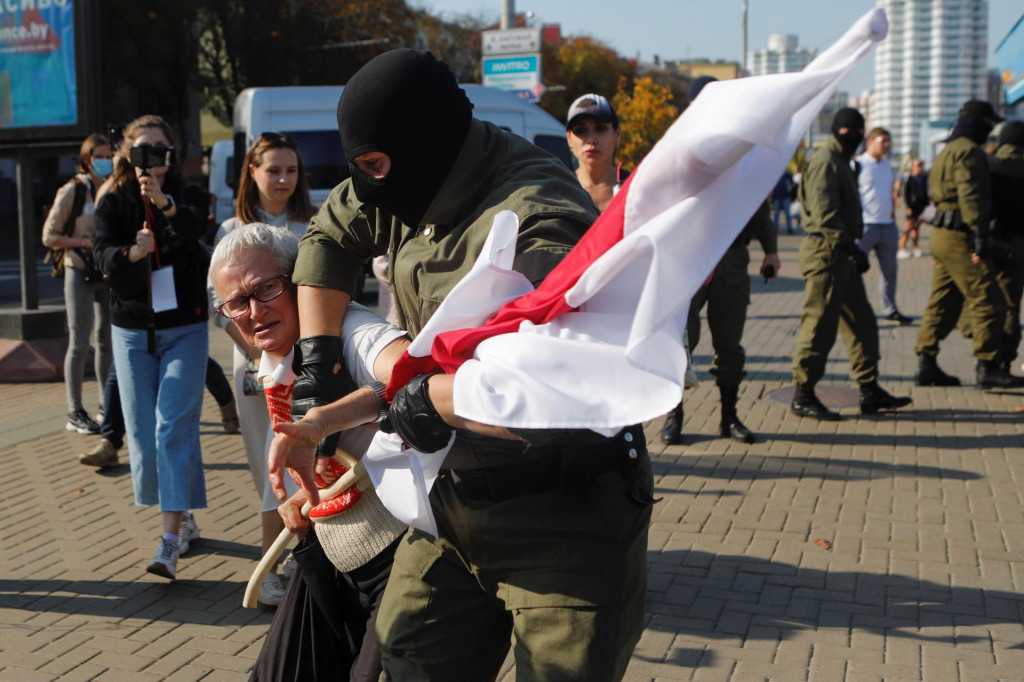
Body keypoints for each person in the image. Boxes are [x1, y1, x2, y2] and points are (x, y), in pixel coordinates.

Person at [277, 49, 653, 681]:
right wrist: (320, 365)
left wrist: (431, 400)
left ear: (421, 145)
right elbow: (328, 235)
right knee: (407, 663)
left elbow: (562, 382)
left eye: (373, 166)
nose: (366, 185)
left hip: (562, 517)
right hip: (452, 505)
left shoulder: (540, 215)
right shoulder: (405, 173)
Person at [209, 223, 408, 681]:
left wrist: (327, 420)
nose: (254, 311)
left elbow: (414, 374)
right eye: (237, 303)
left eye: (267, 288)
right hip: (333, 545)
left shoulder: (351, 329)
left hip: (404, 548)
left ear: (299, 280)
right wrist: (306, 492)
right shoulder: (272, 354)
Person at [92, 114, 208, 580]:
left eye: (159, 148)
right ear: (126, 153)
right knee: (142, 436)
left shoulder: (188, 193)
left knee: (172, 427)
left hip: (185, 329)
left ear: (171, 152)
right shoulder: (113, 200)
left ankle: (168, 540)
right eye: (141, 148)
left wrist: (168, 207)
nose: (151, 157)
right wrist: (132, 253)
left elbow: (200, 232)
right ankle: (185, 515)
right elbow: (101, 257)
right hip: (132, 330)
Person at [211, 132, 316, 606]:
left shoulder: (312, 223)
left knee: (312, 464)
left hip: (310, 361)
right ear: (251, 173)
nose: (282, 179)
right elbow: (221, 308)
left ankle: (303, 558)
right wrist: (261, 358)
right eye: (273, 169)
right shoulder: (234, 228)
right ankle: (267, 570)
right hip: (258, 368)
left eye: (290, 170)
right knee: (270, 471)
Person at [660, 74, 781, 446]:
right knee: (681, 342)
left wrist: (771, 250)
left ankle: (729, 417)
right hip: (689, 259)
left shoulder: (741, 152)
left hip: (730, 259)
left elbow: (758, 204)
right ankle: (673, 415)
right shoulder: (675, 149)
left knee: (730, 346)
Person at [790, 107, 911, 420]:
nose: (859, 137)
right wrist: (850, 246)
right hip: (826, 253)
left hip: (841, 253)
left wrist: (851, 249)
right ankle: (803, 394)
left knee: (862, 324)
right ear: (844, 131)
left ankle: (869, 389)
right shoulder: (826, 161)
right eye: (856, 131)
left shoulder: (842, 161)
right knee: (819, 326)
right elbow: (823, 213)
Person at [914, 100, 1024, 389]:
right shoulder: (969, 152)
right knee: (989, 299)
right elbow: (971, 195)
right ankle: (987, 368)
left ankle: (926, 363)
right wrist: (978, 236)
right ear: (979, 123)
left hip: (941, 234)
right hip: (960, 235)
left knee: (943, 301)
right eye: (989, 124)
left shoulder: (948, 150)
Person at [42, 133, 114, 436]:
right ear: (87, 160)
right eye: (99, 156)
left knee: (107, 341)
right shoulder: (72, 191)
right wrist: (82, 242)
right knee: (79, 341)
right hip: (79, 269)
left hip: (106, 272)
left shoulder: (112, 188)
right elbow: (49, 236)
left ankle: (105, 404)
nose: (106, 160)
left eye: (109, 155)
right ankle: (75, 411)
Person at [855, 127, 912, 324]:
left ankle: (890, 309)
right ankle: (851, 311)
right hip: (865, 226)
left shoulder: (888, 165)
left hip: (887, 226)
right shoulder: (858, 165)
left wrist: (893, 218)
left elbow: (892, 194)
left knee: (890, 271)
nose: (887, 145)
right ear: (870, 141)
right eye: (883, 140)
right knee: (854, 270)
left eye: (889, 141)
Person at [987, 120, 1024, 374]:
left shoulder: (987, 166)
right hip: (1017, 244)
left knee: (985, 300)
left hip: (989, 242)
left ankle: (985, 357)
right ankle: (1004, 361)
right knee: (1011, 304)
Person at [565, 93, 628, 212]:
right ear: (569, 138)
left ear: (617, 134)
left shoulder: (634, 189)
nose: (591, 139)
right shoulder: (560, 193)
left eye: (600, 128)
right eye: (580, 130)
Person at [899, 158, 928, 259]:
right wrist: (908, 207)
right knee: (908, 227)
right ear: (913, 167)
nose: (919, 167)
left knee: (916, 228)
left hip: (921, 207)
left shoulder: (924, 178)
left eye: (920, 165)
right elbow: (906, 194)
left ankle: (915, 248)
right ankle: (902, 248)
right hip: (912, 207)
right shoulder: (909, 178)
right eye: (917, 165)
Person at [772, 169, 796, 234]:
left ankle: (789, 228)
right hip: (776, 197)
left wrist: (790, 187)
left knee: (788, 214)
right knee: (776, 214)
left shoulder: (788, 175)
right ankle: (775, 228)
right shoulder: (775, 174)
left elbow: (792, 184)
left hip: (786, 197)